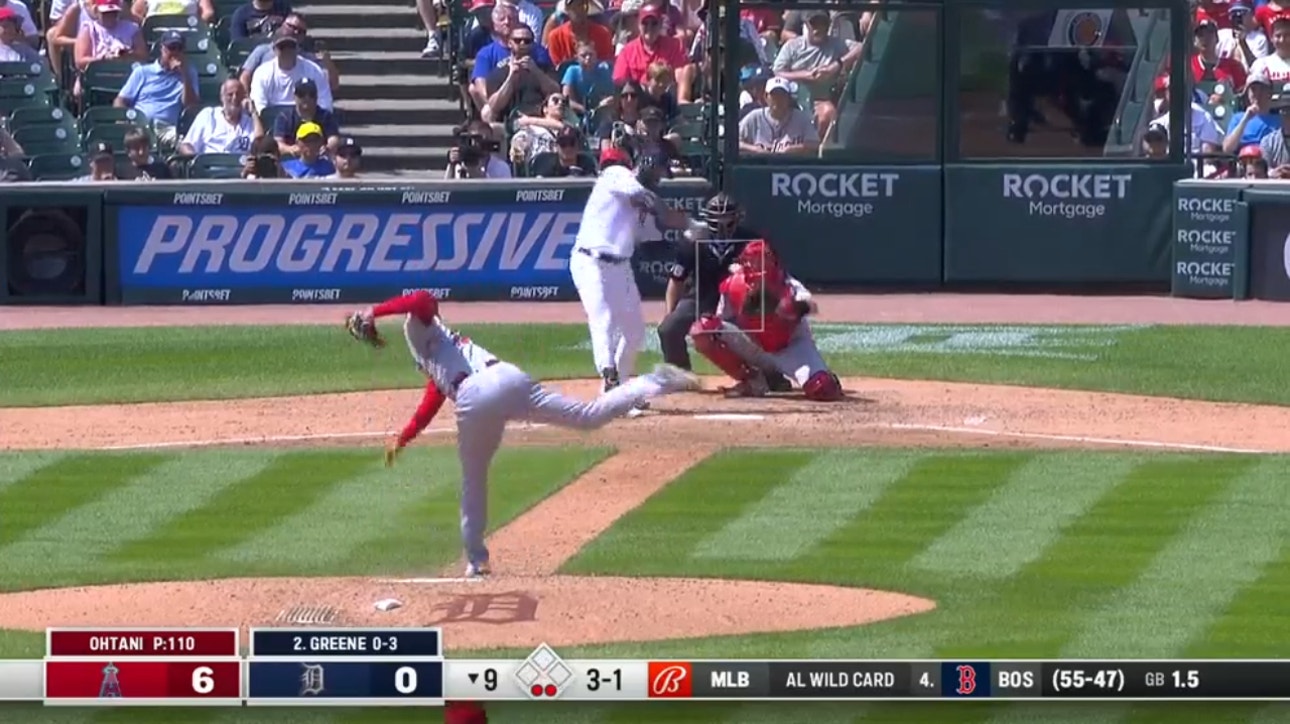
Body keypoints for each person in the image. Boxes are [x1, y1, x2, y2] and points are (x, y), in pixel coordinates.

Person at [343, 290, 700, 576]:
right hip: (509, 378)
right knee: (588, 416)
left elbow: (419, 299)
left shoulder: (417, 327)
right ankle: (657, 380)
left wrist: (373, 312)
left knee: (474, 479)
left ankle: (477, 562)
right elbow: (432, 400)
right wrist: (403, 438)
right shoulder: (442, 349)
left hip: (476, 395)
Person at [569, 145, 702, 415]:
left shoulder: (642, 205)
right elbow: (651, 202)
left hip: (620, 265)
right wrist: (688, 222)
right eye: (660, 171)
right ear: (649, 163)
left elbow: (656, 232)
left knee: (635, 332)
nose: (661, 178)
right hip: (590, 261)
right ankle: (610, 385)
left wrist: (692, 233)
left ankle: (624, 389)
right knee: (603, 319)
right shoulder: (616, 174)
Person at [689, 240, 843, 400]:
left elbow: (811, 306)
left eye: (762, 260)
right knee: (704, 330)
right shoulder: (733, 285)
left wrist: (791, 308)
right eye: (753, 261)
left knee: (822, 388)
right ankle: (753, 380)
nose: (757, 266)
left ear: (773, 261)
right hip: (753, 345)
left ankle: (822, 375)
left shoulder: (787, 284)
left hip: (791, 348)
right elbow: (722, 321)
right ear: (744, 262)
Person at [113, 29, 200, 148]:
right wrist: (124, 120)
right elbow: (121, 100)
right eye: (171, 48)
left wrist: (184, 75)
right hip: (140, 125)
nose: (175, 52)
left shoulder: (189, 72)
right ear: (162, 49)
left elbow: (190, 105)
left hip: (166, 128)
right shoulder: (143, 72)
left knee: (185, 145)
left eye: (179, 48)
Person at [481, 22, 562, 123]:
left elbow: (556, 92)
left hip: (540, 121)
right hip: (510, 124)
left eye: (527, 41)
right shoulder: (499, 72)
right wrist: (510, 79)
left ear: (532, 44)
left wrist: (536, 71)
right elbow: (494, 106)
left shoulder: (544, 68)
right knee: (486, 113)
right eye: (517, 40)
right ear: (510, 43)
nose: (522, 44)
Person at [239, 14, 338, 95]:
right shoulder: (262, 51)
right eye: (292, 27)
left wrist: (328, 64)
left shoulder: (308, 59)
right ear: (283, 26)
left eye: (301, 31)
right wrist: (247, 99)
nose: (295, 32)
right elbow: (245, 77)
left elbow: (333, 85)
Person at [612, 4, 692, 101]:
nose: (649, 27)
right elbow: (619, 82)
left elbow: (683, 73)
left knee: (687, 69)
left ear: (661, 23)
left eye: (654, 23)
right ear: (638, 24)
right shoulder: (627, 52)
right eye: (645, 23)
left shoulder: (675, 45)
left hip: (669, 102)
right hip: (639, 104)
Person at [72, 0, 146, 101]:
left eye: (113, 13)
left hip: (126, 77)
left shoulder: (132, 28)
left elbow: (143, 56)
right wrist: (102, 58)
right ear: (97, 12)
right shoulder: (88, 29)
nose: (110, 16)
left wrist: (127, 55)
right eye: (106, 13)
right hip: (98, 78)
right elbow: (80, 61)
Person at [250, 29, 333, 112]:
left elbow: (325, 104)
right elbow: (259, 108)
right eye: (282, 47)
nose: (287, 51)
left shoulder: (313, 70)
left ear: (297, 49)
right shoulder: (262, 73)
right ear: (274, 50)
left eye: (291, 47)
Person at [738, 76, 818, 155]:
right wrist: (755, 150)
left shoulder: (801, 118)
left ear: (789, 98)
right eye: (774, 95)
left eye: (782, 95)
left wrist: (793, 149)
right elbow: (733, 142)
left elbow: (814, 144)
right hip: (761, 165)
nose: (778, 99)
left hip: (790, 165)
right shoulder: (754, 117)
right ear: (766, 97)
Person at [179, 78, 259, 156]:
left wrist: (253, 112)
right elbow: (186, 145)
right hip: (210, 166)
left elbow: (259, 144)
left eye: (238, 94)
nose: (235, 98)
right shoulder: (208, 115)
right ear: (222, 98)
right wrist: (195, 160)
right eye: (230, 95)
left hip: (240, 167)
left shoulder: (249, 121)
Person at [272, 77, 340, 157]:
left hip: (320, 160)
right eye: (301, 94)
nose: (306, 98)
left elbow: (334, 139)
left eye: (311, 94)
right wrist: (290, 149)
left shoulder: (325, 116)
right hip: (291, 161)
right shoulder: (285, 117)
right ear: (294, 97)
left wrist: (327, 148)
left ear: (316, 97)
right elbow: (277, 142)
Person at [1222, 72, 1280, 152]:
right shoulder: (1238, 118)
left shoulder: (1279, 119)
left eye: (1262, 90)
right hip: (1244, 159)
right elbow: (1227, 149)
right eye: (1253, 90)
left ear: (1269, 94)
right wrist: (1245, 119)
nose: (1257, 94)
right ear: (1248, 94)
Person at [545, 0, 611, 67]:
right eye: (574, 6)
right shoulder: (555, 37)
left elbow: (606, 64)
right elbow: (557, 68)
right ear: (567, 9)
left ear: (587, 8)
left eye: (582, 6)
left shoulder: (602, 34)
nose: (579, 10)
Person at [561, 38, 613, 113]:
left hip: (600, 110)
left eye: (591, 55)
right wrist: (584, 110)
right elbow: (567, 99)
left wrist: (605, 102)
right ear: (577, 58)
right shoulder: (572, 71)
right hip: (576, 113)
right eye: (583, 55)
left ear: (596, 55)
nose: (588, 58)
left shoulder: (604, 70)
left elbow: (611, 94)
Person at [528, 125, 597, 176]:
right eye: (563, 144)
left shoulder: (587, 163)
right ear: (556, 146)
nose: (568, 148)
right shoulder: (545, 163)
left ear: (578, 146)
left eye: (572, 143)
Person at [131, 0, 214, 24]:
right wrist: (148, 25)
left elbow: (208, 12)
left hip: (189, 32)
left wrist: (197, 25)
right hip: (156, 33)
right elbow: (135, 13)